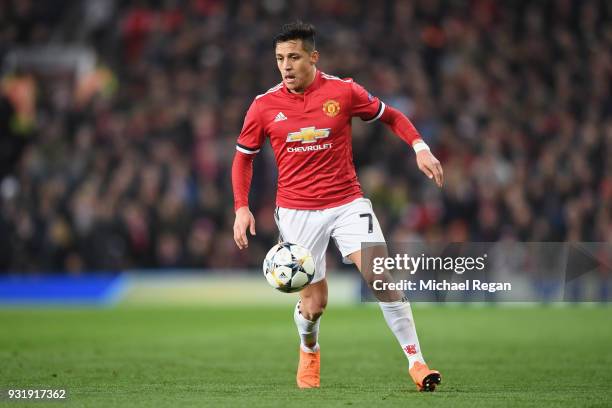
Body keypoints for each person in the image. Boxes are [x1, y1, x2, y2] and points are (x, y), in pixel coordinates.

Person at [231, 21, 444, 391]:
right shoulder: (264, 106)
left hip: (347, 203)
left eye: (294, 57)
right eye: (280, 58)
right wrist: (241, 208)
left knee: (380, 277)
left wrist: (420, 147)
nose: (286, 66)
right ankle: (308, 347)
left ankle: (417, 362)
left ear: (313, 57)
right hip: (297, 212)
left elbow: (390, 115)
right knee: (315, 304)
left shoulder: (344, 92)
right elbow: (243, 157)